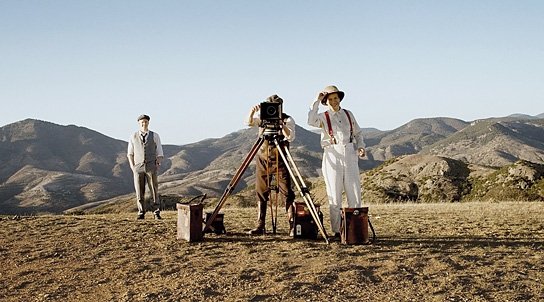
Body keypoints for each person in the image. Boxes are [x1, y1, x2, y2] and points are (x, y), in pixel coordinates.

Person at [307, 85, 366, 237]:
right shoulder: (323, 116)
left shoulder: (348, 114)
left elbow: (358, 133)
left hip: (350, 152)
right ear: (326, 101)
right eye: (330, 99)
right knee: (334, 193)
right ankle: (337, 230)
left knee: (354, 191)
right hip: (332, 152)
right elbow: (310, 120)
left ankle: (355, 228)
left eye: (336, 98)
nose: (334, 101)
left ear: (339, 99)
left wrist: (361, 147)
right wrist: (317, 100)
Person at [245, 95, 297, 235]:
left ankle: (292, 225)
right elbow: (249, 123)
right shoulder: (263, 118)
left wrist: (281, 124)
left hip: (280, 160)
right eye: (270, 106)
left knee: (287, 192)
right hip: (263, 159)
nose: (272, 109)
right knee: (261, 192)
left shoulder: (287, 119)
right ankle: (260, 225)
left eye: (275, 106)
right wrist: (252, 112)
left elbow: (290, 136)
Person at [127, 114, 164, 220]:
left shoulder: (154, 135)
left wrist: (158, 164)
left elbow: (159, 151)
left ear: (148, 123)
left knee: (153, 189)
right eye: (142, 122)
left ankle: (156, 212)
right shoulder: (133, 136)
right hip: (138, 166)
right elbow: (130, 153)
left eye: (146, 122)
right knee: (139, 190)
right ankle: (141, 212)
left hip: (151, 165)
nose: (144, 124)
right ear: (139, 123)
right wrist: (132, 166)